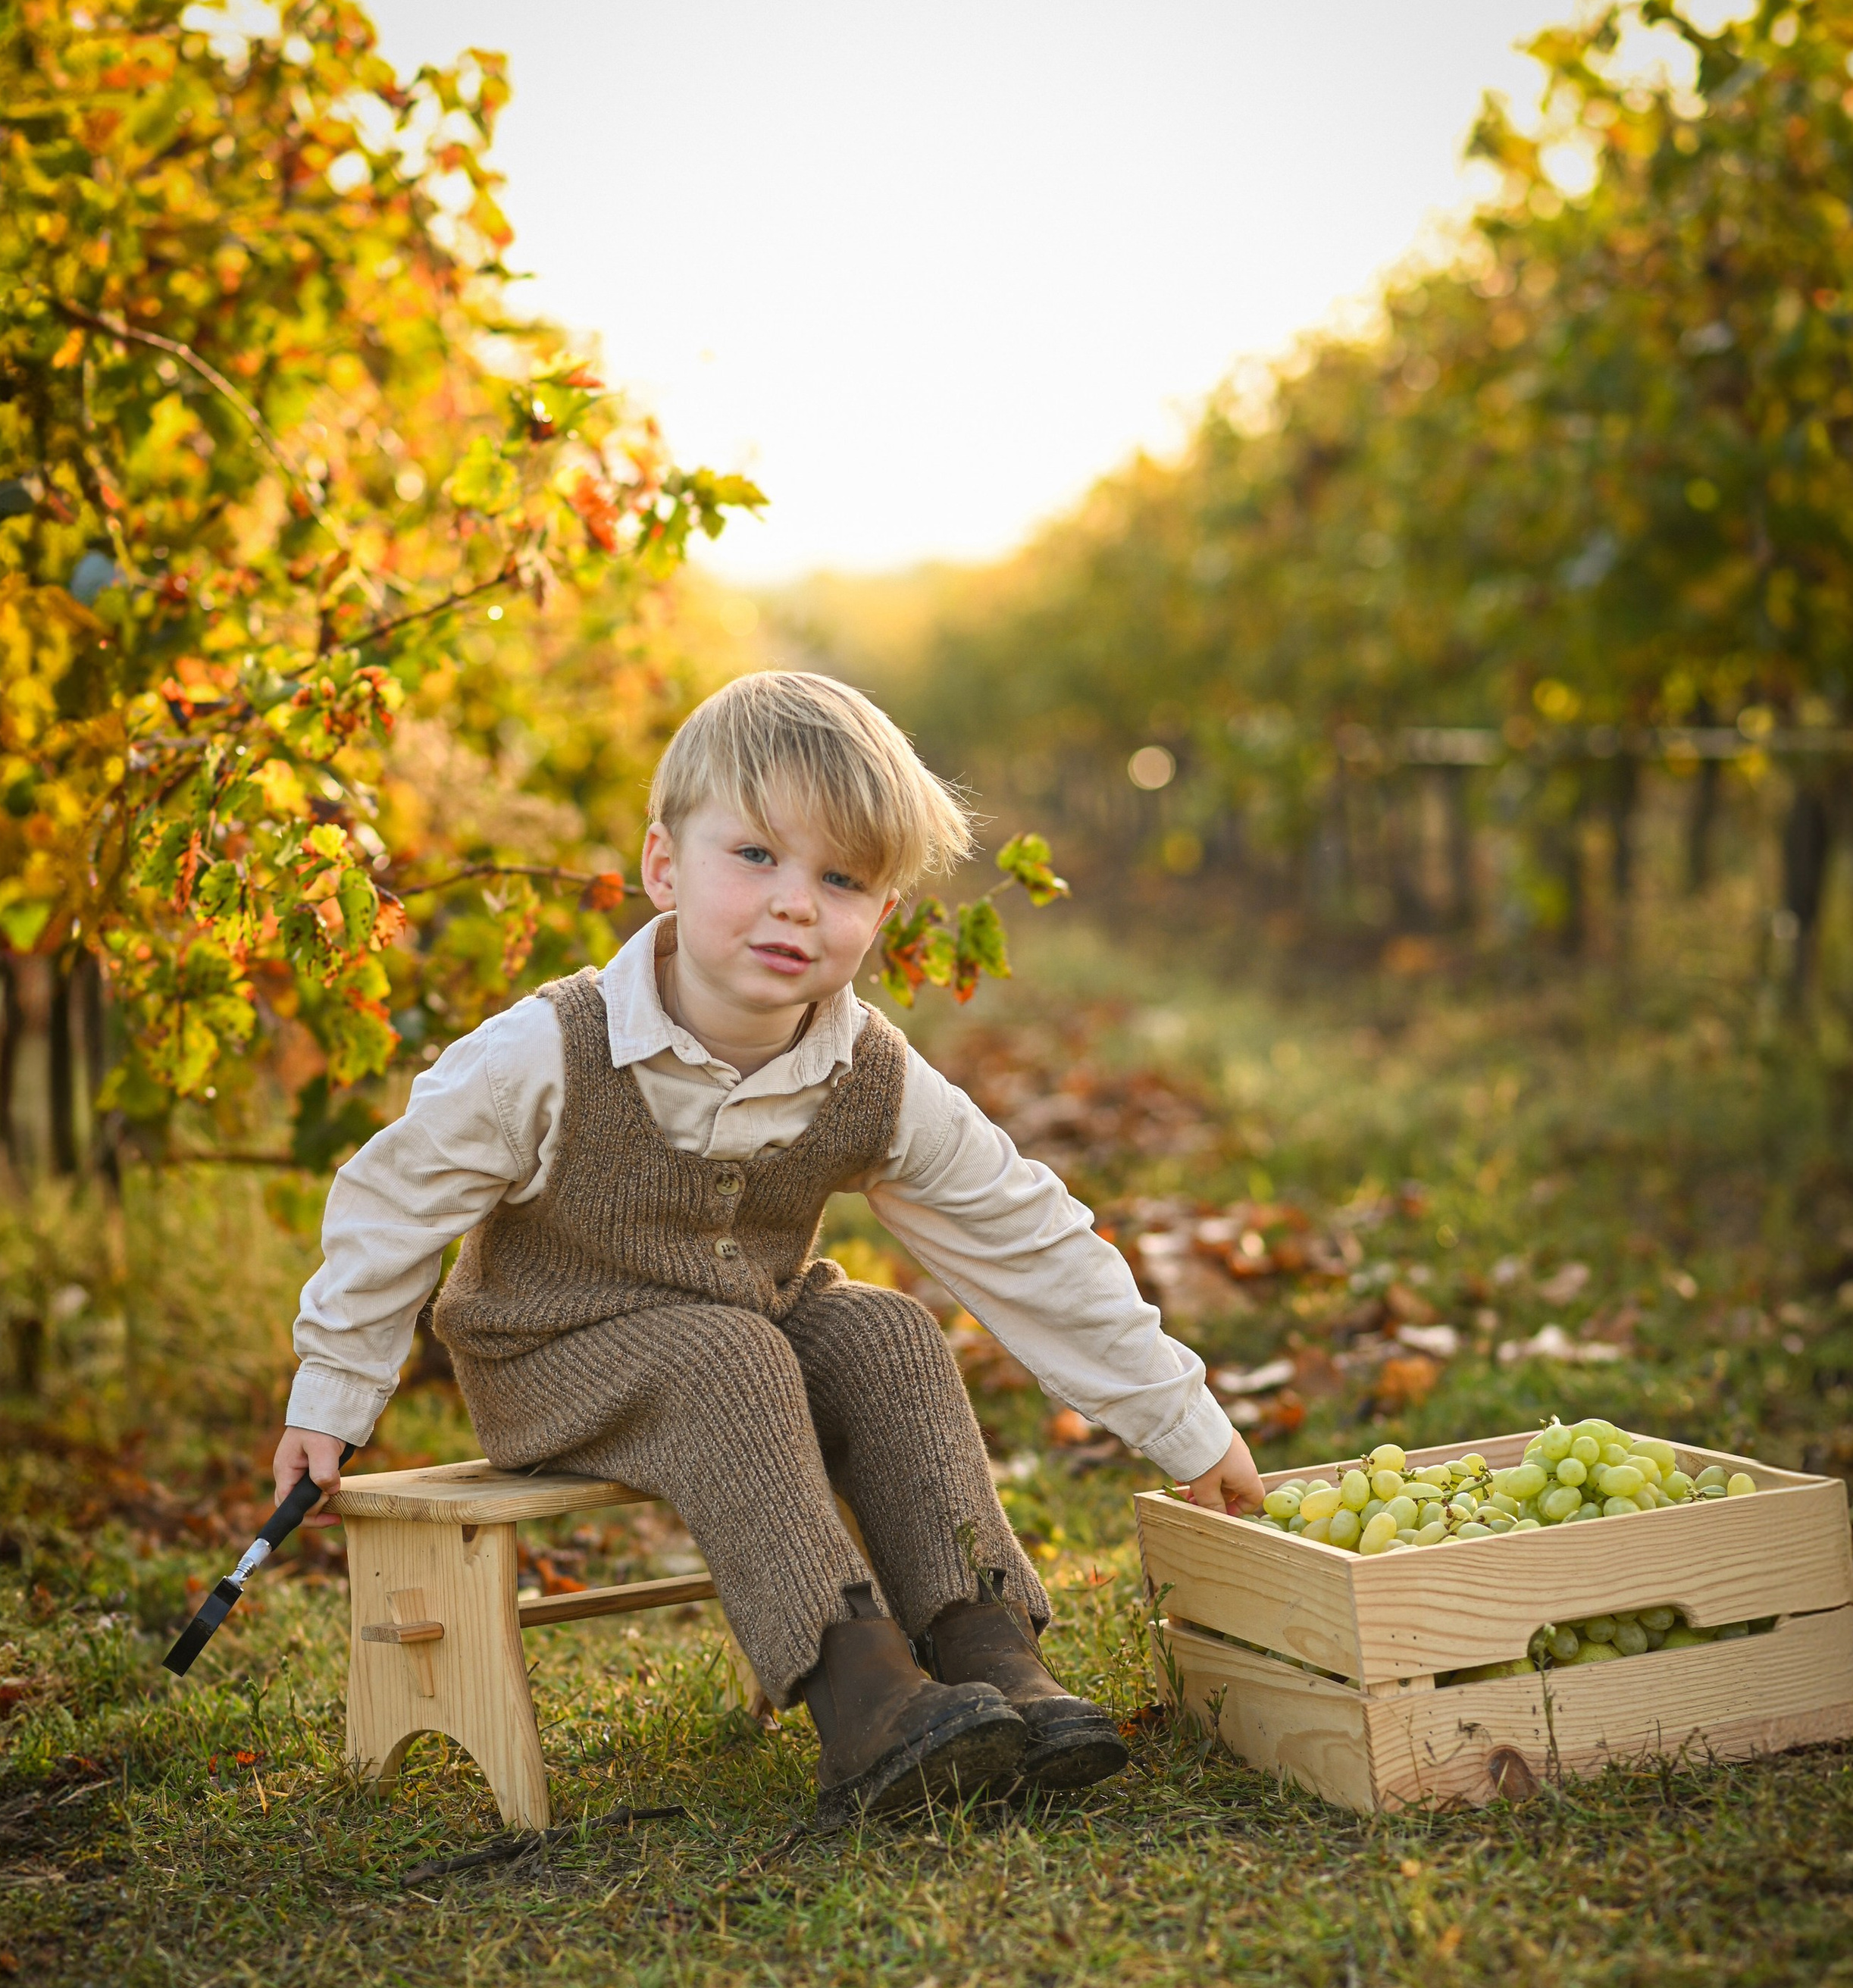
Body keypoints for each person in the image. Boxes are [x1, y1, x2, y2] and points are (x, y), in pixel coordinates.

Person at [274, 672, 1264, 1824]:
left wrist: (1184, 1421)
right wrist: (334, 1391)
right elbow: (392, 1202)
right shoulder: (547, 1052)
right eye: (755, 856)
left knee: (887, 1332)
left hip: (748, 1333)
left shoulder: (868, 1070)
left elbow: (1024, 1235)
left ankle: (986, 1650)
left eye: (841, 879)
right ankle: (861, 1697)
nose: (796, 905)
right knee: (727, 1357)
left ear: (880, 915)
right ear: (664, 866)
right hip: (552, 1360)